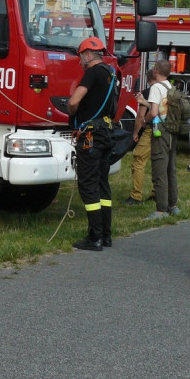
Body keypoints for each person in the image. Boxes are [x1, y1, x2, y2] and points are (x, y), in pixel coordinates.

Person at [68, 36, 117, 251]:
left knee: (88, 185)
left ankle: (94, 238)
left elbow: (74, 101)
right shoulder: (110, 73)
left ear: (88, 55)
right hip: (106, 133)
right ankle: (106, 236)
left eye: (81, 57)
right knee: (102, 184)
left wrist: (73, 114)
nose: (80, 61)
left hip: (91, 135)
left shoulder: (92, 72)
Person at [144, 59, 178, 220]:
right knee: (171, 168)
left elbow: (153, 112)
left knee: (159, 168)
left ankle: (161, 209)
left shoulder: (156, 87)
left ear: (156, 70)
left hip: (160, 131)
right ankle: (173, 205)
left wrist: (144, 121)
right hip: (173, 130)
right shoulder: (171, 87)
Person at [124, 69, 154, 206]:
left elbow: (141, 115)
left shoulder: (148, 92)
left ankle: (136, 195)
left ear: (148, 79)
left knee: (138, 160)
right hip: (166, 131)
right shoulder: (168, 89)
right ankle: (157, 193)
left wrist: (135, 132)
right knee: (158, 162)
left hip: (151, 130)